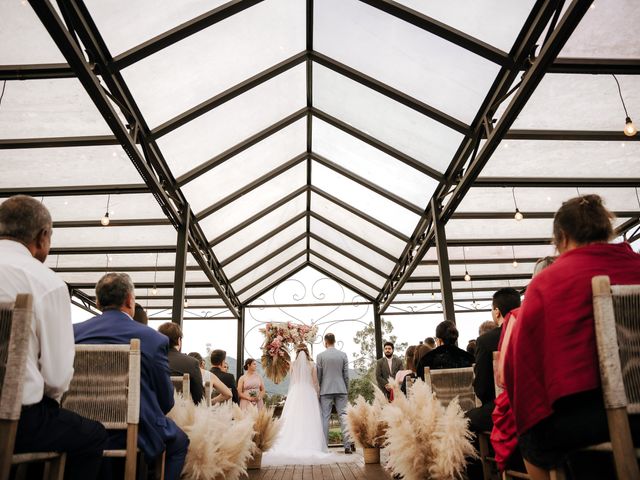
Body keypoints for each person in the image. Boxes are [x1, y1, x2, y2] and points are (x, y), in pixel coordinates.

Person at [504, 195, 640, 480]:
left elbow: (519, 369)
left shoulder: (550, 282)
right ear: (607, 230)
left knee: (529, 436)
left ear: (562, 237)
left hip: (593, 422)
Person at [0, 195, 108, 480]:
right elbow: (57, 377)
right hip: (13, 420)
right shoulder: (46, 283)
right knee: (91, 436)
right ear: (43, 236)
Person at [74, 273, 189, 480]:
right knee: (180, 442)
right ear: (129, 300)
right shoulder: (153, 339)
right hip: (133, 431)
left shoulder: (74, 332)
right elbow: (166, 401)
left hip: (80, 427)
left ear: (98, 301)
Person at [262, 344, 338, 466]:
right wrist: (317, 394)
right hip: (309, 392)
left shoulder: (293, 364)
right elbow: (315, 382)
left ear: (297, 352)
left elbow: (293, 380)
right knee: (310, 419)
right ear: (307, 352)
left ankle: (290, 442)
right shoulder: (312, 365)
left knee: (293, 417)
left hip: (296, 392)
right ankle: (311, 444)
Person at [468, 288, 521, 432]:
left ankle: (486, 452)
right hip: (534, 405)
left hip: (501, 408)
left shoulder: (485, 341)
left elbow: (482, 389)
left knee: (464, 420)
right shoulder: (532, 331)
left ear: (497, 311)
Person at [317, 333, 354, 454]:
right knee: (343, 416)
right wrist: (346, 389)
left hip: (325, 390)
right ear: (335, 341)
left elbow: (319, 376)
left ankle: (324, 446)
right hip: (341, 389)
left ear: (325, 342)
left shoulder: (320, 356)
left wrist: (320, 389)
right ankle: (347, 446)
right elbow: (346, 375)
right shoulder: (343, 355)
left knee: (325, 417)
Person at [158, 322, 203, 405]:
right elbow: (199, 399)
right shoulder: (192, 363)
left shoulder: (150, 359)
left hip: (152, 412)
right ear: (179, 340)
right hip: (180, 414)